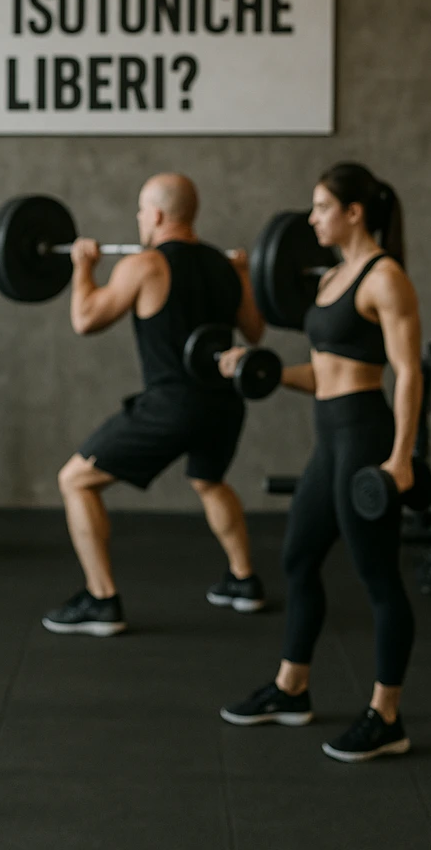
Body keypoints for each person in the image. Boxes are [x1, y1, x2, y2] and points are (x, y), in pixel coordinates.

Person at [220, 163, 420, 764]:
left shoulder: (386, 278)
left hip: (365, 437)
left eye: (321, 206)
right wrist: (262, 369)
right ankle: (291, 688)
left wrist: (401, 458)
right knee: (298, 556)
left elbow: (406, 372)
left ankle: (386, 716)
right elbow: (324, 373)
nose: (311, 218)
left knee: (378, 577)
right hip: (328, 437)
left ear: (354, 212)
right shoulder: (332, 278)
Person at [42, 173, 267, 637]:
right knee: (209, 481)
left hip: (173, 404)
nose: (140, 219)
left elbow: (86, 320)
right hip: (226, 403)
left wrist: (82, 267)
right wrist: (244, 275)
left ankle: (102, 599)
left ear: (158, 214)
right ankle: (244, 581)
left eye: (142, 211)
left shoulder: (146, 265)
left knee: (76, 481)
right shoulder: (224, 265)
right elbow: (255, 331)